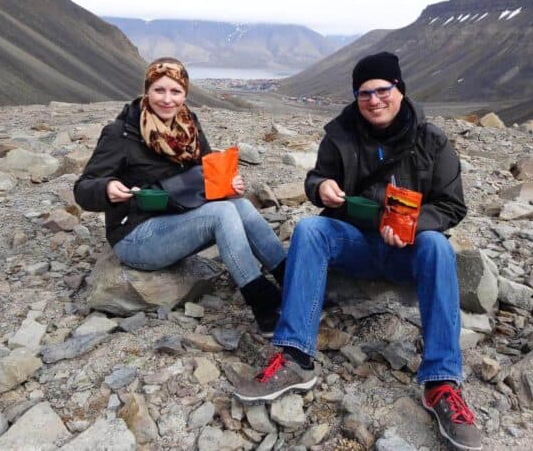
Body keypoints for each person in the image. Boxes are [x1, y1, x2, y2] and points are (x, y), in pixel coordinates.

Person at [233, 52, 482, 450]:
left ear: (399, 89)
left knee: (437, 246)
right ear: (356, 96)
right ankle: (296, 357)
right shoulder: (340, 133)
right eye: (364, 93)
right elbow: (317, 176)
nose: (374, 100)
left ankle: (441, 382)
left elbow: (452, 207)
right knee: (311, 228)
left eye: (383, 90)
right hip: (356, 243)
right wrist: (320, 188)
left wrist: (412, 225)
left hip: (408, 248)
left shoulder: (432, 140)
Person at [74, 57, 285, 336]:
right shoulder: (121, 133)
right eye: (159, 90)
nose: (167, 99)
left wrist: (230, 184)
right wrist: (107, 188)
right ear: (147, 91)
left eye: (176, 91)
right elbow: (83, 188)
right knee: (222, 214)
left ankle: (294, 281)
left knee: (241, 205)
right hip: (136, 235)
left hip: (178, 216)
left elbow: (207, 172)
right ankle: (263, 304)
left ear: (185, 93)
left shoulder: (189, 125)